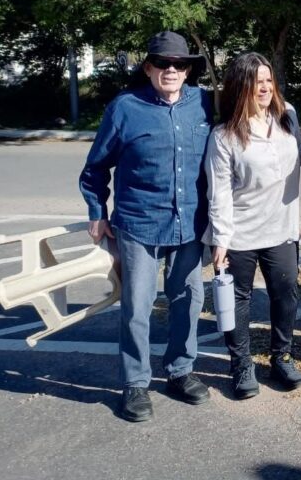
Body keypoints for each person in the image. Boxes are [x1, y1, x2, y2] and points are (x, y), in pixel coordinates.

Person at [79, 31, 213, 422]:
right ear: (149, 68)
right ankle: (135, 383)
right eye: (163, 64)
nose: (171, 70)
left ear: (188, 70)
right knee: (137, 306)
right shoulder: (124, 108)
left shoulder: (204, 105)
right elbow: (95, 168)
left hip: (190, 223)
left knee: (188, 300)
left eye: (179, 64)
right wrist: (96, 211)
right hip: (138, 223)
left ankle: (180, 371)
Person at [204, 52, 301, 400]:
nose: (264, 87)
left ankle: (281, 356)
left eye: (268, 80)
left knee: (286, 294)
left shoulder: (286, 117)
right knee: (239, 301)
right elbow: (218, 190)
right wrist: (220, 239)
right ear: (241, 87)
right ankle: (241, 365)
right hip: (240, 234)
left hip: (281, 230)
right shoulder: (224, 136)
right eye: (257, 82)